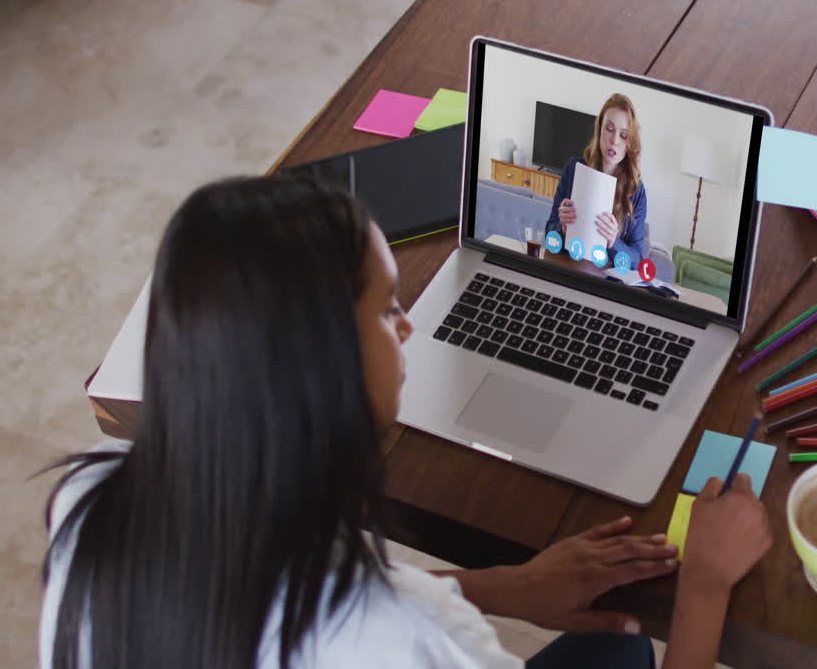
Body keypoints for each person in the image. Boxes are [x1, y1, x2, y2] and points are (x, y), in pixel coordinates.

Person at [40, 175, 771, 669]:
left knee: (614, 648)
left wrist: (503, 587)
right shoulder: (411, 643)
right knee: (630, 647)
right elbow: (380, 624)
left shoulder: (92, 502)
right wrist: (704, 583)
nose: (410, 328)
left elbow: (289, 594)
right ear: (327, 370)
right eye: (389, 309)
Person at [544, 93, 650, 269]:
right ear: (599, 129)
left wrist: (613, 242)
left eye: (623, 135)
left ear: (629, 142)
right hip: (568, 269)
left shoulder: (637, 191)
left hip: (605, 284)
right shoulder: (573, 169)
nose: (614, 141)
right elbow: (548, 236)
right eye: (609, 129)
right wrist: (562, 229)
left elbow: (637, 261)